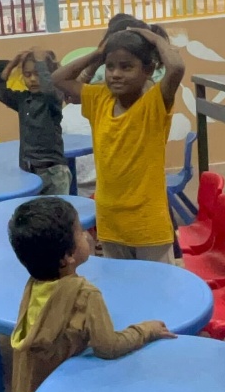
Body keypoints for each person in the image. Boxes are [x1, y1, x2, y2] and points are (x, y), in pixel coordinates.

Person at [8, 197, 175, 392]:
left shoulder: (33, 284)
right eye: (79, 232)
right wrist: (146, 330)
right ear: (68, 257)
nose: (87, 235)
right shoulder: (85, 295)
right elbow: (109, 347)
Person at [52, 28, 186, 263]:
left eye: (126, 67)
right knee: (119, 283)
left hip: (148, 223)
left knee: (155, 285)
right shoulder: (99, 98)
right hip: (110, 220)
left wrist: (154, 38)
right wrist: (98, 54)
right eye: (110, 66)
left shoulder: (154, 102)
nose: (115, 74)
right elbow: (58, 79)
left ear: (148, 70)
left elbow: (176, 67)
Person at [0, 48, 69, 195]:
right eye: (27, 75)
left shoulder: (53, 98)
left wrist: (40, 62)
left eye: (38, 74)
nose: (33, 79)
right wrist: (12, 64)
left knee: (56, 210)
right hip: (29, 173)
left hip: (53, 174)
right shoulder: (23, 100)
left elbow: (49, 89)